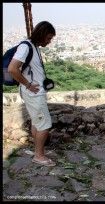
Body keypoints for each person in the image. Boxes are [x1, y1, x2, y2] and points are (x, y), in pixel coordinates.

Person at [8, 21, 56, 167]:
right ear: (41, 35)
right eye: (48, 38)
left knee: (37, 122)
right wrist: (28, 84)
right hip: (33, 94)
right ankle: (39, 156)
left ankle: (37, 150)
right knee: (44, 125)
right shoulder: (26, 47)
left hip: (34, 92)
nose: (49, 42)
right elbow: (12, 69)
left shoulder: (34, 46)